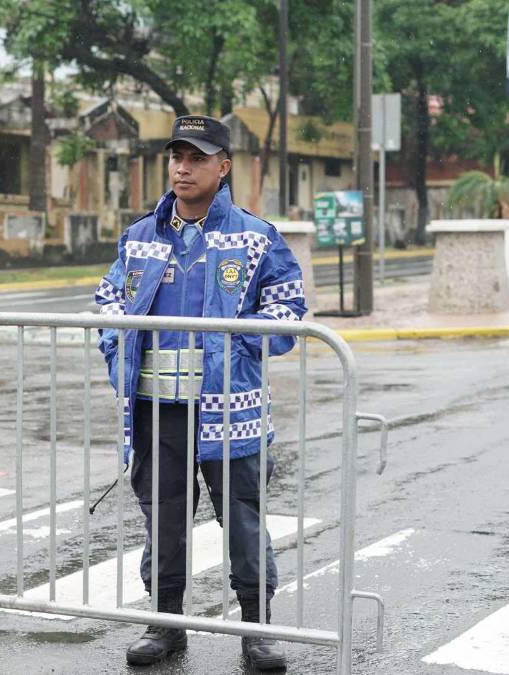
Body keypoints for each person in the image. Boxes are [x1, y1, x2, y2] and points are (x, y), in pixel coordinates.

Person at [94, 115, 307, 671]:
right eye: (176, 157)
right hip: (155, 408)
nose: (183, 168)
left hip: (229, 409)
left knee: (242, 516)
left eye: (197, 158)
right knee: (163, 518)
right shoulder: (141, 236)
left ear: (223, 166)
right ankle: (165, 625)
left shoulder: (256, 237)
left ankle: (256, 631)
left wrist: (237, 352)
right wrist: (118, 351)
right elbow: (108, 301)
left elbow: (288, 308)